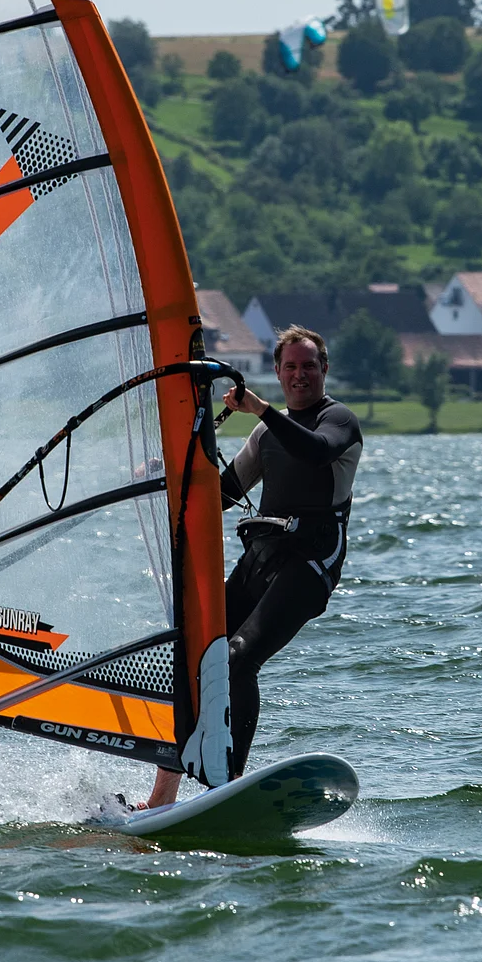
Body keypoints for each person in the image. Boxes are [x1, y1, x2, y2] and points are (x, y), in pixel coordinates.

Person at [142, 325, 362, 807]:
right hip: (260, 560)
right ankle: (162, 795)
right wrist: (170, 474)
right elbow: (220, 495)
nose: (300, 375)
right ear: (279, 372)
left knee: (238, 659)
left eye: (309, 366)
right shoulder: (266, 433)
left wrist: (261, 408)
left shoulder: (339, 421)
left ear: (324, 369)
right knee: (192, 654)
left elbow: (315, 449)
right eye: (290, 367)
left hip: (310, 566)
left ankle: (224, 789)